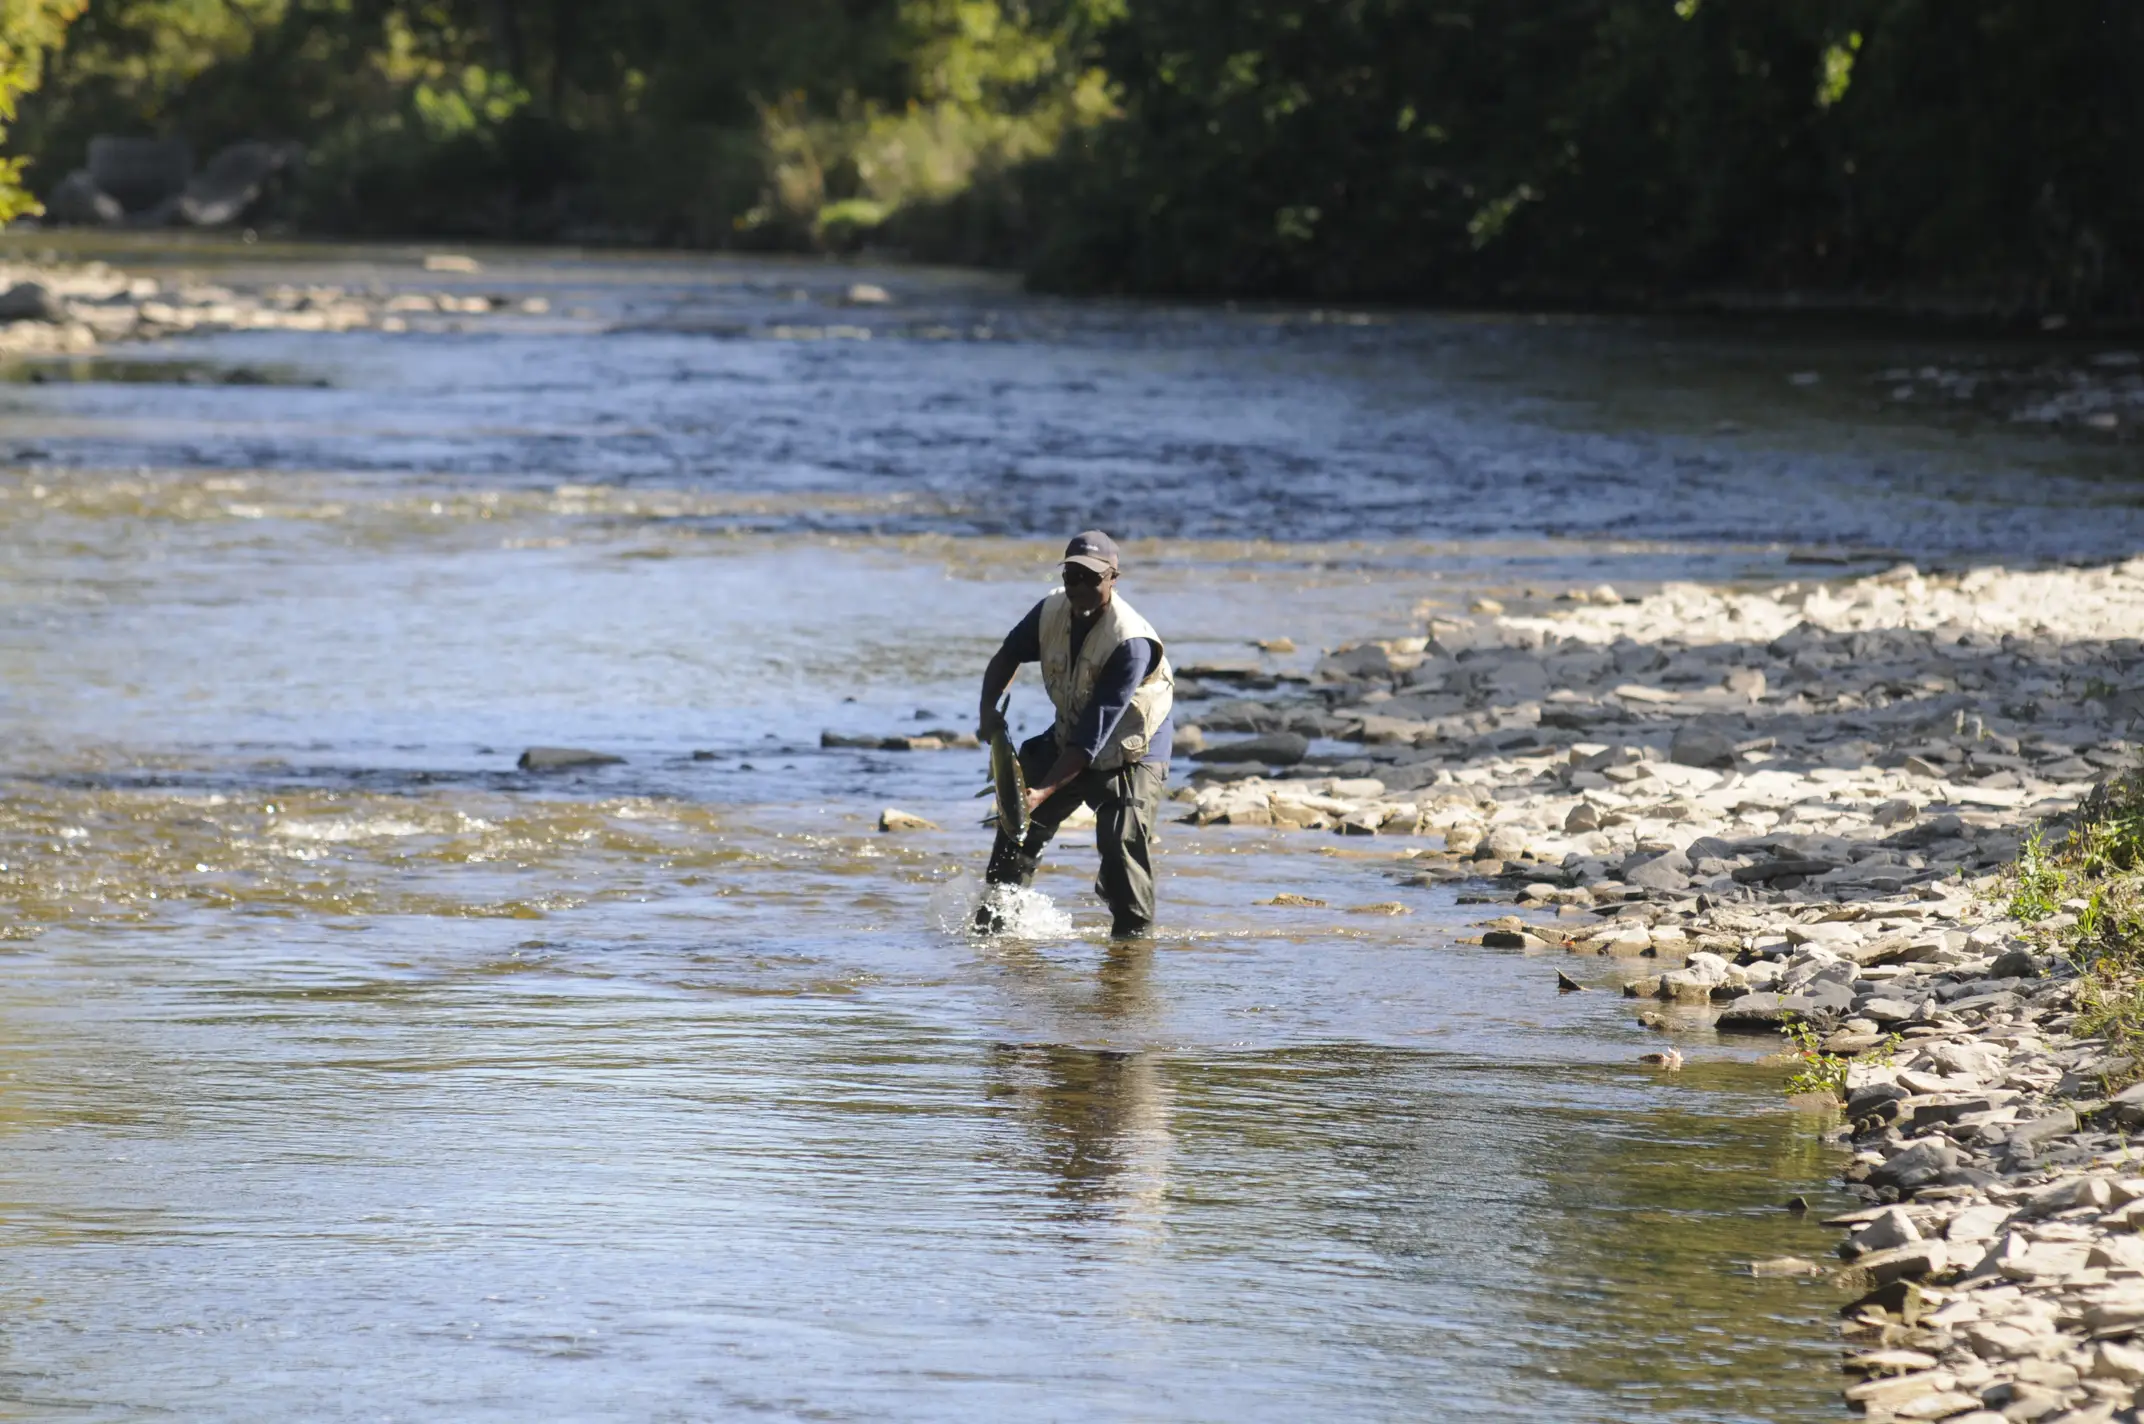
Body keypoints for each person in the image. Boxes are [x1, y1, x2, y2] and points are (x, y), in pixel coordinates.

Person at [976, 530, 1174, 938]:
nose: (1079, 587)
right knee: (1016, 826)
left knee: (1120, 846)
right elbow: (1007, 655)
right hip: (1074, 733)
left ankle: (1131, 947)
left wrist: (1042, 793)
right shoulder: (1050, 611)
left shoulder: (1130, 642)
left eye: (1091, 579)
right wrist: (987, 711)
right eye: (1072, 577)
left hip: (1132, 746)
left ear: (1113, 578)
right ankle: (994, 926)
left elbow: (1092, 738)